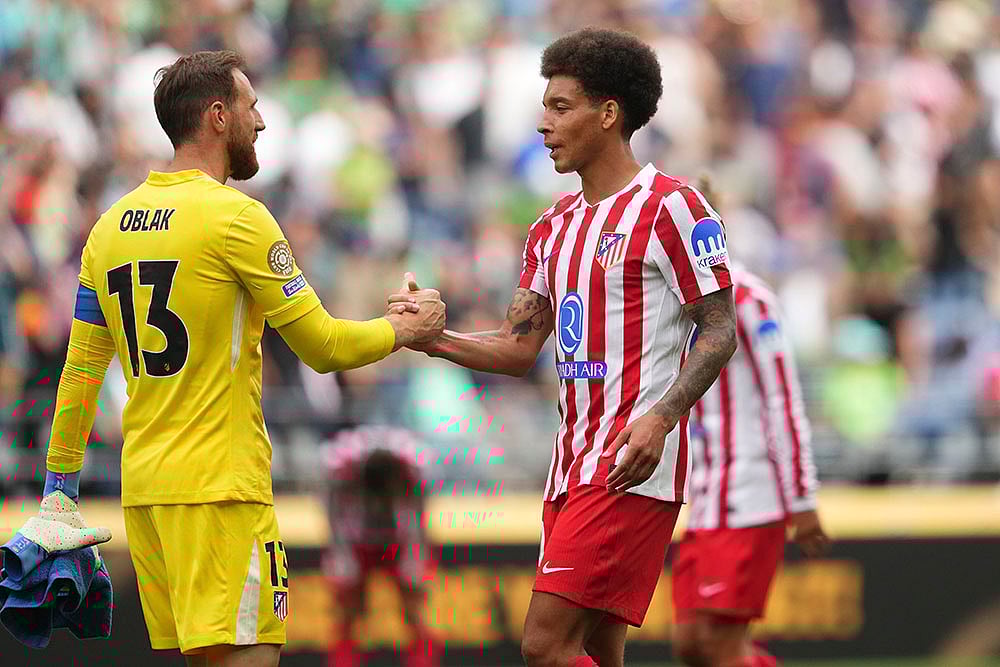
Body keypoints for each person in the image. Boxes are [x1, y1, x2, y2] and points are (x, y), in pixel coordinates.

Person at [29, 50, 444, 667]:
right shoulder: (238, 219)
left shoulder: (108, 227)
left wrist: (58, 490)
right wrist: (403, 330)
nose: (263, 123)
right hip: (222, 492)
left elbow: (81, 374)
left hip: (147, 496)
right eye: (252, 106)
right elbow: (324, 347)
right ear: (218, 116)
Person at [388, 27, 737, 667]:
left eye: (559, 106)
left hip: (628, 462)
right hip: (569, 467)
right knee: (598, 650)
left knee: (544, 648)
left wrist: (660, 419)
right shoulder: (552, 226)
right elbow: (518, 350)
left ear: (608, 114)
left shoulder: (671, 207)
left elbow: (719, 330)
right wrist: (433, 338)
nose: (543, 123)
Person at [671, 263, 830, 667]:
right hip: (706, 498)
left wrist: (801, 497)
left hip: (749, 493)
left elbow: (783, 398)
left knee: (717, 643)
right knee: (689, 644)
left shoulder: (749, 299)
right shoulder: (671, 299)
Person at [322, 426, 439, 667]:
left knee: (414, 609)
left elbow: (421, 507)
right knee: (348, 612)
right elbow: (329, 505)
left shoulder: (414, 463)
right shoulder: (341, 463)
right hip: (356, 540)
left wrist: (415, 553)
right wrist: (341, 551)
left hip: (398, 540)